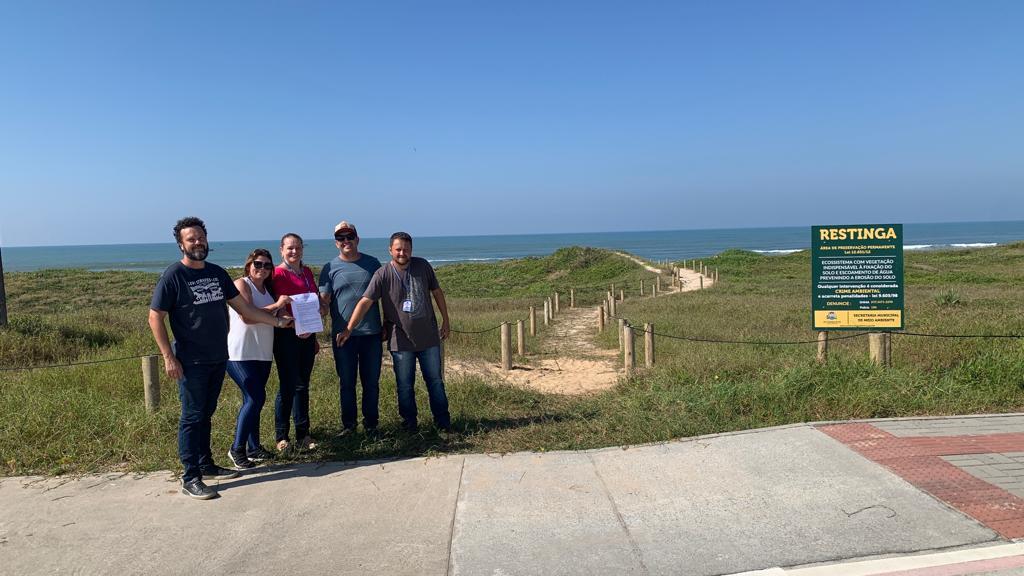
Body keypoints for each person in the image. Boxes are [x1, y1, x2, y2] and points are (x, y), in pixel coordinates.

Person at [148, 217, 291, 500]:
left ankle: (206, 464)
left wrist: (278, 323)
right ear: (181, 244)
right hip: (190, 360)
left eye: (201, 237)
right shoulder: (173, 275)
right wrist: (168, 356)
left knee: (206, 414)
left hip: (218, 357)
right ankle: (190, 477)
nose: (198, 242)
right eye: (191, 239)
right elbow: (155, 317)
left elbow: (245, 310)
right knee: (192, 416)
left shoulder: (217, 273)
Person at [340, 232, 452, 434]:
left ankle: (443, 422)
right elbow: (366, 301)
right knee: (404, 386)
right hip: (400, 342)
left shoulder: (423, 266)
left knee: (435, 382)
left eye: (406, 249)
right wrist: (349, 328)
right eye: (398, 249)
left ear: (412, 250)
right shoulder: (382, 274)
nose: (402, 253)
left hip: (429, 339)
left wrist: (446, 319)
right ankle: (410, 424)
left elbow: (437, 292)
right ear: (390, 250)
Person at [225, 248, 291, 469]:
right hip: (239, 353)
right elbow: (248, 315)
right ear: (249, 265)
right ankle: (237, 449)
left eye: (267, 265)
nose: (262, 268)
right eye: (258, 264)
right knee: (255, 398)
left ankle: (254, 448)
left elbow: (270, 314)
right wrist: (278, 307)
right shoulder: (241, 284)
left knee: (253, 400)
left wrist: (285, 316)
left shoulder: (269, 289)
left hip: (262, 353)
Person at [319, 221, 383, 436]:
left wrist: (388, 325)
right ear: (336, 243)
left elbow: (386, 297)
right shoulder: (329, 268)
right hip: (342, 336)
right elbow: (324, 302)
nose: (346, 241)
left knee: (371, 383)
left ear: (357, 238)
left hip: (371, 334)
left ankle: (371, 425)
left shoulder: (373, 264)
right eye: (341, 238)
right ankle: (349, 426)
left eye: (349, 236)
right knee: (347, 383)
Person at [270, 233, 321, 452]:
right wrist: (291, 325)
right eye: (290, 248)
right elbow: (276, 307)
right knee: (287, 386)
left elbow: (314, 301)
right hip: (287, 336)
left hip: (308, 336)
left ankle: (303, 434)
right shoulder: (276, 274)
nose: (294, 252)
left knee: (303, 385)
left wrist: (314, 331)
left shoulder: (307, 272)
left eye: (298, 247)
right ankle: (282, 436)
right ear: (281, 249)